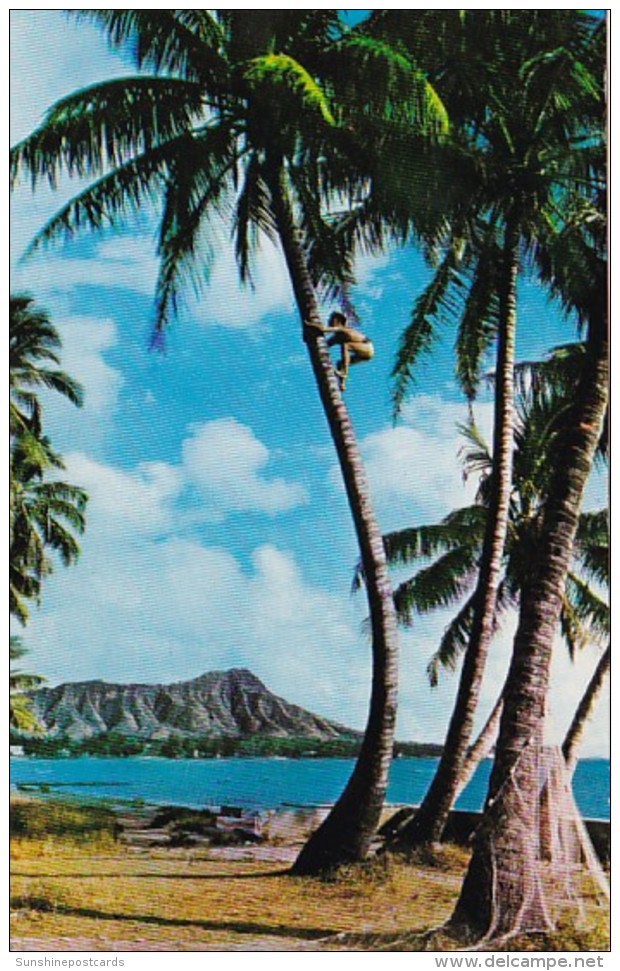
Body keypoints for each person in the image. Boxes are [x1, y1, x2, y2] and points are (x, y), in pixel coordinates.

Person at [306, 311, 374, 390]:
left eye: (331, 319)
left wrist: (309, 324)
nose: (329, 321)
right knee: (339, 363)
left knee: (346, 345)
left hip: (367, 347)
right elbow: (325, 346)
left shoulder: (342, 328)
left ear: (337, 321)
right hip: (363, 352)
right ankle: (342, 384)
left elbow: (323, 329)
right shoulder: (337, 337)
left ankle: (344, 373)